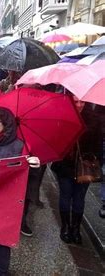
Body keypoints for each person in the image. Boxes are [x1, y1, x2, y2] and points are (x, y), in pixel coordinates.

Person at [0, 106, 40, 276]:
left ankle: (1, 271)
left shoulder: (21, 146)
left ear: (6, 123)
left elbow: (28, 177)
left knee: (0, 238)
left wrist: (34, 165)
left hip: (8, 203)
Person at [51, 96, 103, 243]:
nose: (79, 105)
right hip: (65, 165)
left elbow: (98, 146)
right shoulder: (63, 117)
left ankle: (76, 228)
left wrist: (93, 161)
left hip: (84, 167)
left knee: (79, 198)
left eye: (82, 101)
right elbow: (56, 141)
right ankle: (65, 227)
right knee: (66, 196)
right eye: (76, 101)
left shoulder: (94, 120)